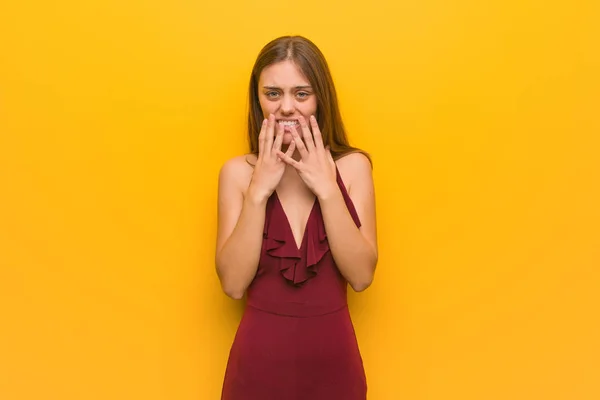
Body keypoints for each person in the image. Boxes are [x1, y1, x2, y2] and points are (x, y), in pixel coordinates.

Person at [215, 35, 378, 400]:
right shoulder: (237, 174)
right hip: (257, 369)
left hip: (335, 369)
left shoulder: (353, 168)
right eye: (273, 93)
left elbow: (362, 276)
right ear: (258, 99)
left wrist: (327, 188)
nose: (286, 107)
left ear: (321, 99)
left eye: (301, 94)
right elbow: (233, 285)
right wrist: (259, 191)